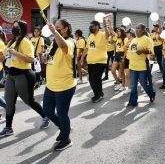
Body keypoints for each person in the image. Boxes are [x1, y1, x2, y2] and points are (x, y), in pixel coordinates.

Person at [0, 20, 49, 138]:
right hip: (11, 75)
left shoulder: (25, 41)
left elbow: (31, 59)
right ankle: (8, 128)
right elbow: (5, 57)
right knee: (10, 102)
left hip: (24, 75)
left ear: (21, 29)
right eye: (13, 26)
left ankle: (45, 116)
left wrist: (15, 53)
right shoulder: (11, 41)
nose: (13, 28)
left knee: (29, 101)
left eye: (16, 27)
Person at [43, 19, 76, 151]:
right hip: (51, 85)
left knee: (62, 114)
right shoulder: (53, 43)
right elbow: (52, 58)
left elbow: (63, 46)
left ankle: (66, 138)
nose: (54, 30)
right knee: (47, 111)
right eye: (54, 27)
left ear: (66, 29)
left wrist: (55, 32)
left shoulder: (70, 42)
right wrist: (46, 57)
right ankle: (64, 128)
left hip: (64, 86)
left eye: (58, 28)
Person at [127, 23, 155, 107]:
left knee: (144, 84)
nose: (136, 30)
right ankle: (133, 101)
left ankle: (152, 94)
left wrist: (143, 51)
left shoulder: (147, 39)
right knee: (133, 85)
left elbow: (151, 52)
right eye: (136, 28)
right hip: (132, 66)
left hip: (142, 67)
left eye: (138, 28)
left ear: (143, 30)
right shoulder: (134, 40)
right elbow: (130, 51)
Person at [82, 19, 110, 103]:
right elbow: (87, 48)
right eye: (90, 26)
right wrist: (82, 58)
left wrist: (105, 25)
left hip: (100, 61)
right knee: (91, 79)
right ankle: (97, 94)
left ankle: (99, 95)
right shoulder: (90, 36)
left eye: (92, 26)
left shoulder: (102, 34)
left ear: (97, 27)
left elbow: (108, 34)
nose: (91, 27)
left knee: (95, 78)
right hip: (91, 61)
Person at [111, 27, 127, 91]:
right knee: (112, 70)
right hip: (117, 55)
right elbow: (112, 31)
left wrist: (124, 57)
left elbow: (126, 49)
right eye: (117, 31)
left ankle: (123, 85)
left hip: (121, 55)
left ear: (122, 32)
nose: (118, 32)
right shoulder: (117, 38)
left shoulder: (125, 39)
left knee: (122, 72)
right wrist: (108, 23)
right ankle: (118, 83)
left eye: (119, 31)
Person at [124, 28, 136, 95]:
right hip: (127, 59)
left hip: (134, 59)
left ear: (131, 33)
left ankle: (144, 84)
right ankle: (129, 88)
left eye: (127, 33)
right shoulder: (127, 40)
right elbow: (125, 49)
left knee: (136, 75)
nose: (126, 34)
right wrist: (124, 57)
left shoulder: (135, 40)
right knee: (127, 74)